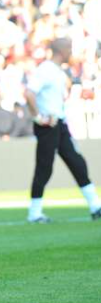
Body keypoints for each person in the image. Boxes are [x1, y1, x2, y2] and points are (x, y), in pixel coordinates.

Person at [24, 38, 101, 223]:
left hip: (59, 123)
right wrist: (38, 117)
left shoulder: (57, 71)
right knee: (44, 168)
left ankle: (95, 206)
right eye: (69, 49)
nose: (71, 53)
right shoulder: (46, 69)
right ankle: (34, 213)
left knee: (77, 162)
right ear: (62, 50)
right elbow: (29, 93)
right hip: (47, 125)